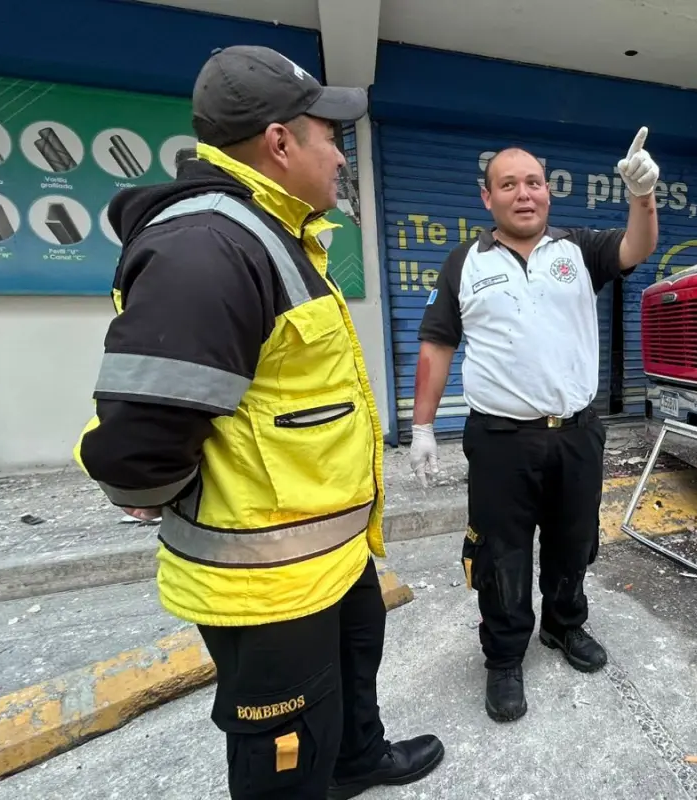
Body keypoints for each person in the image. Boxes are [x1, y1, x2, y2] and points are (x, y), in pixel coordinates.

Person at [73, 45, 443, 799]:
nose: (340, 155)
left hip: (327, 560)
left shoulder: (276, 232)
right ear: (280, 142)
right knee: (283, 749)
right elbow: (138, 445)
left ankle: (356, 760)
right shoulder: (209, 246)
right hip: (265, 581)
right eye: (328, 135)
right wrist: (159, 485)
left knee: (348, 681)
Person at [409, 131, 660, 721]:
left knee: (574, 541)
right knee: (502, 553)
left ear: (547, 192)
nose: (525, 194)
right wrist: (421, 427)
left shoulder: (579, 249)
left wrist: (643, 195)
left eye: (534, 182)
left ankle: (564, 626)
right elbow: (436, 346)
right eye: (509, 184)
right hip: (500, 439)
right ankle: (502, 658)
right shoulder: (464, 264)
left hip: (576, 432)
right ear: (486, 197)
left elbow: (637, 247)